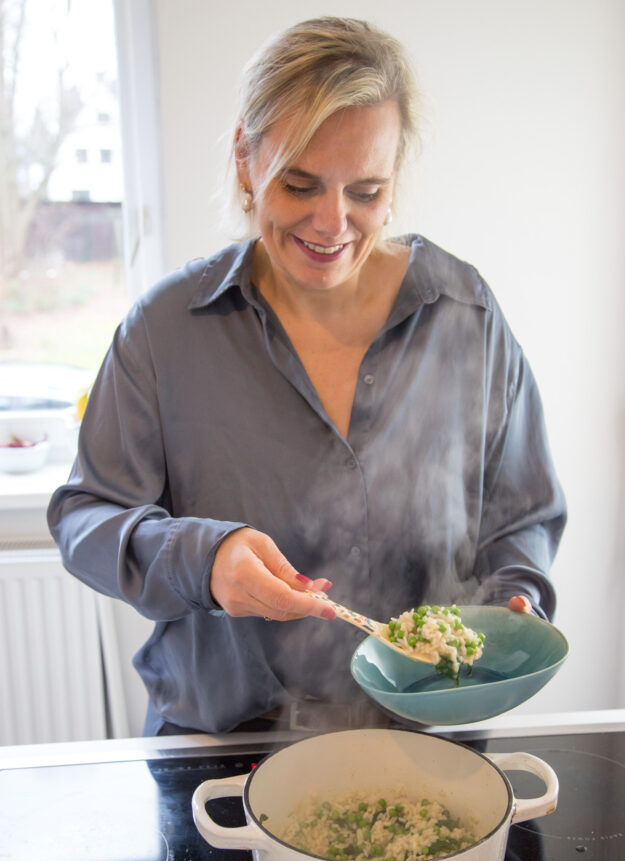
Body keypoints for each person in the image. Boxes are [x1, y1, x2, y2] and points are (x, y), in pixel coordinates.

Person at [47, 16, 566, 736]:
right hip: (221, 747)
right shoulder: (166, 331)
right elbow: (85, 517)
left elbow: (524, 516)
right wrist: (204, 560)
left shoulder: (466, 314)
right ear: (243, 161)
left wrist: (516, 597)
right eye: (299, 184)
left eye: (366, 190)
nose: (333, 223)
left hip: (422, 743)